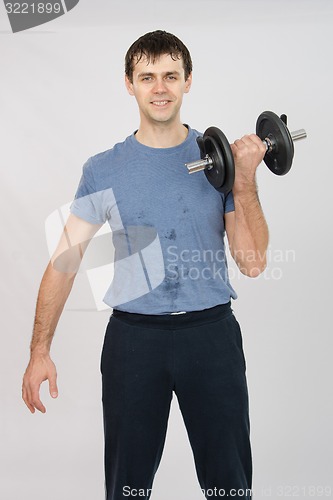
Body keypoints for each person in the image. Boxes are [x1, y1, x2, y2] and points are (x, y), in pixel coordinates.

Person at [22, 30, 268, 500]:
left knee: (230, 488)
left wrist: (245, 181)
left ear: (188, 82)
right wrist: (39, 352)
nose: (160, 87)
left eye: (171, 76)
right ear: (129, 84)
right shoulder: (103, 169)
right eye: (148, 76)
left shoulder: (221, 163)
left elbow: (253, 263)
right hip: (134, 343)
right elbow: (64, 262)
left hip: (210, 337)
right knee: (127, 489)